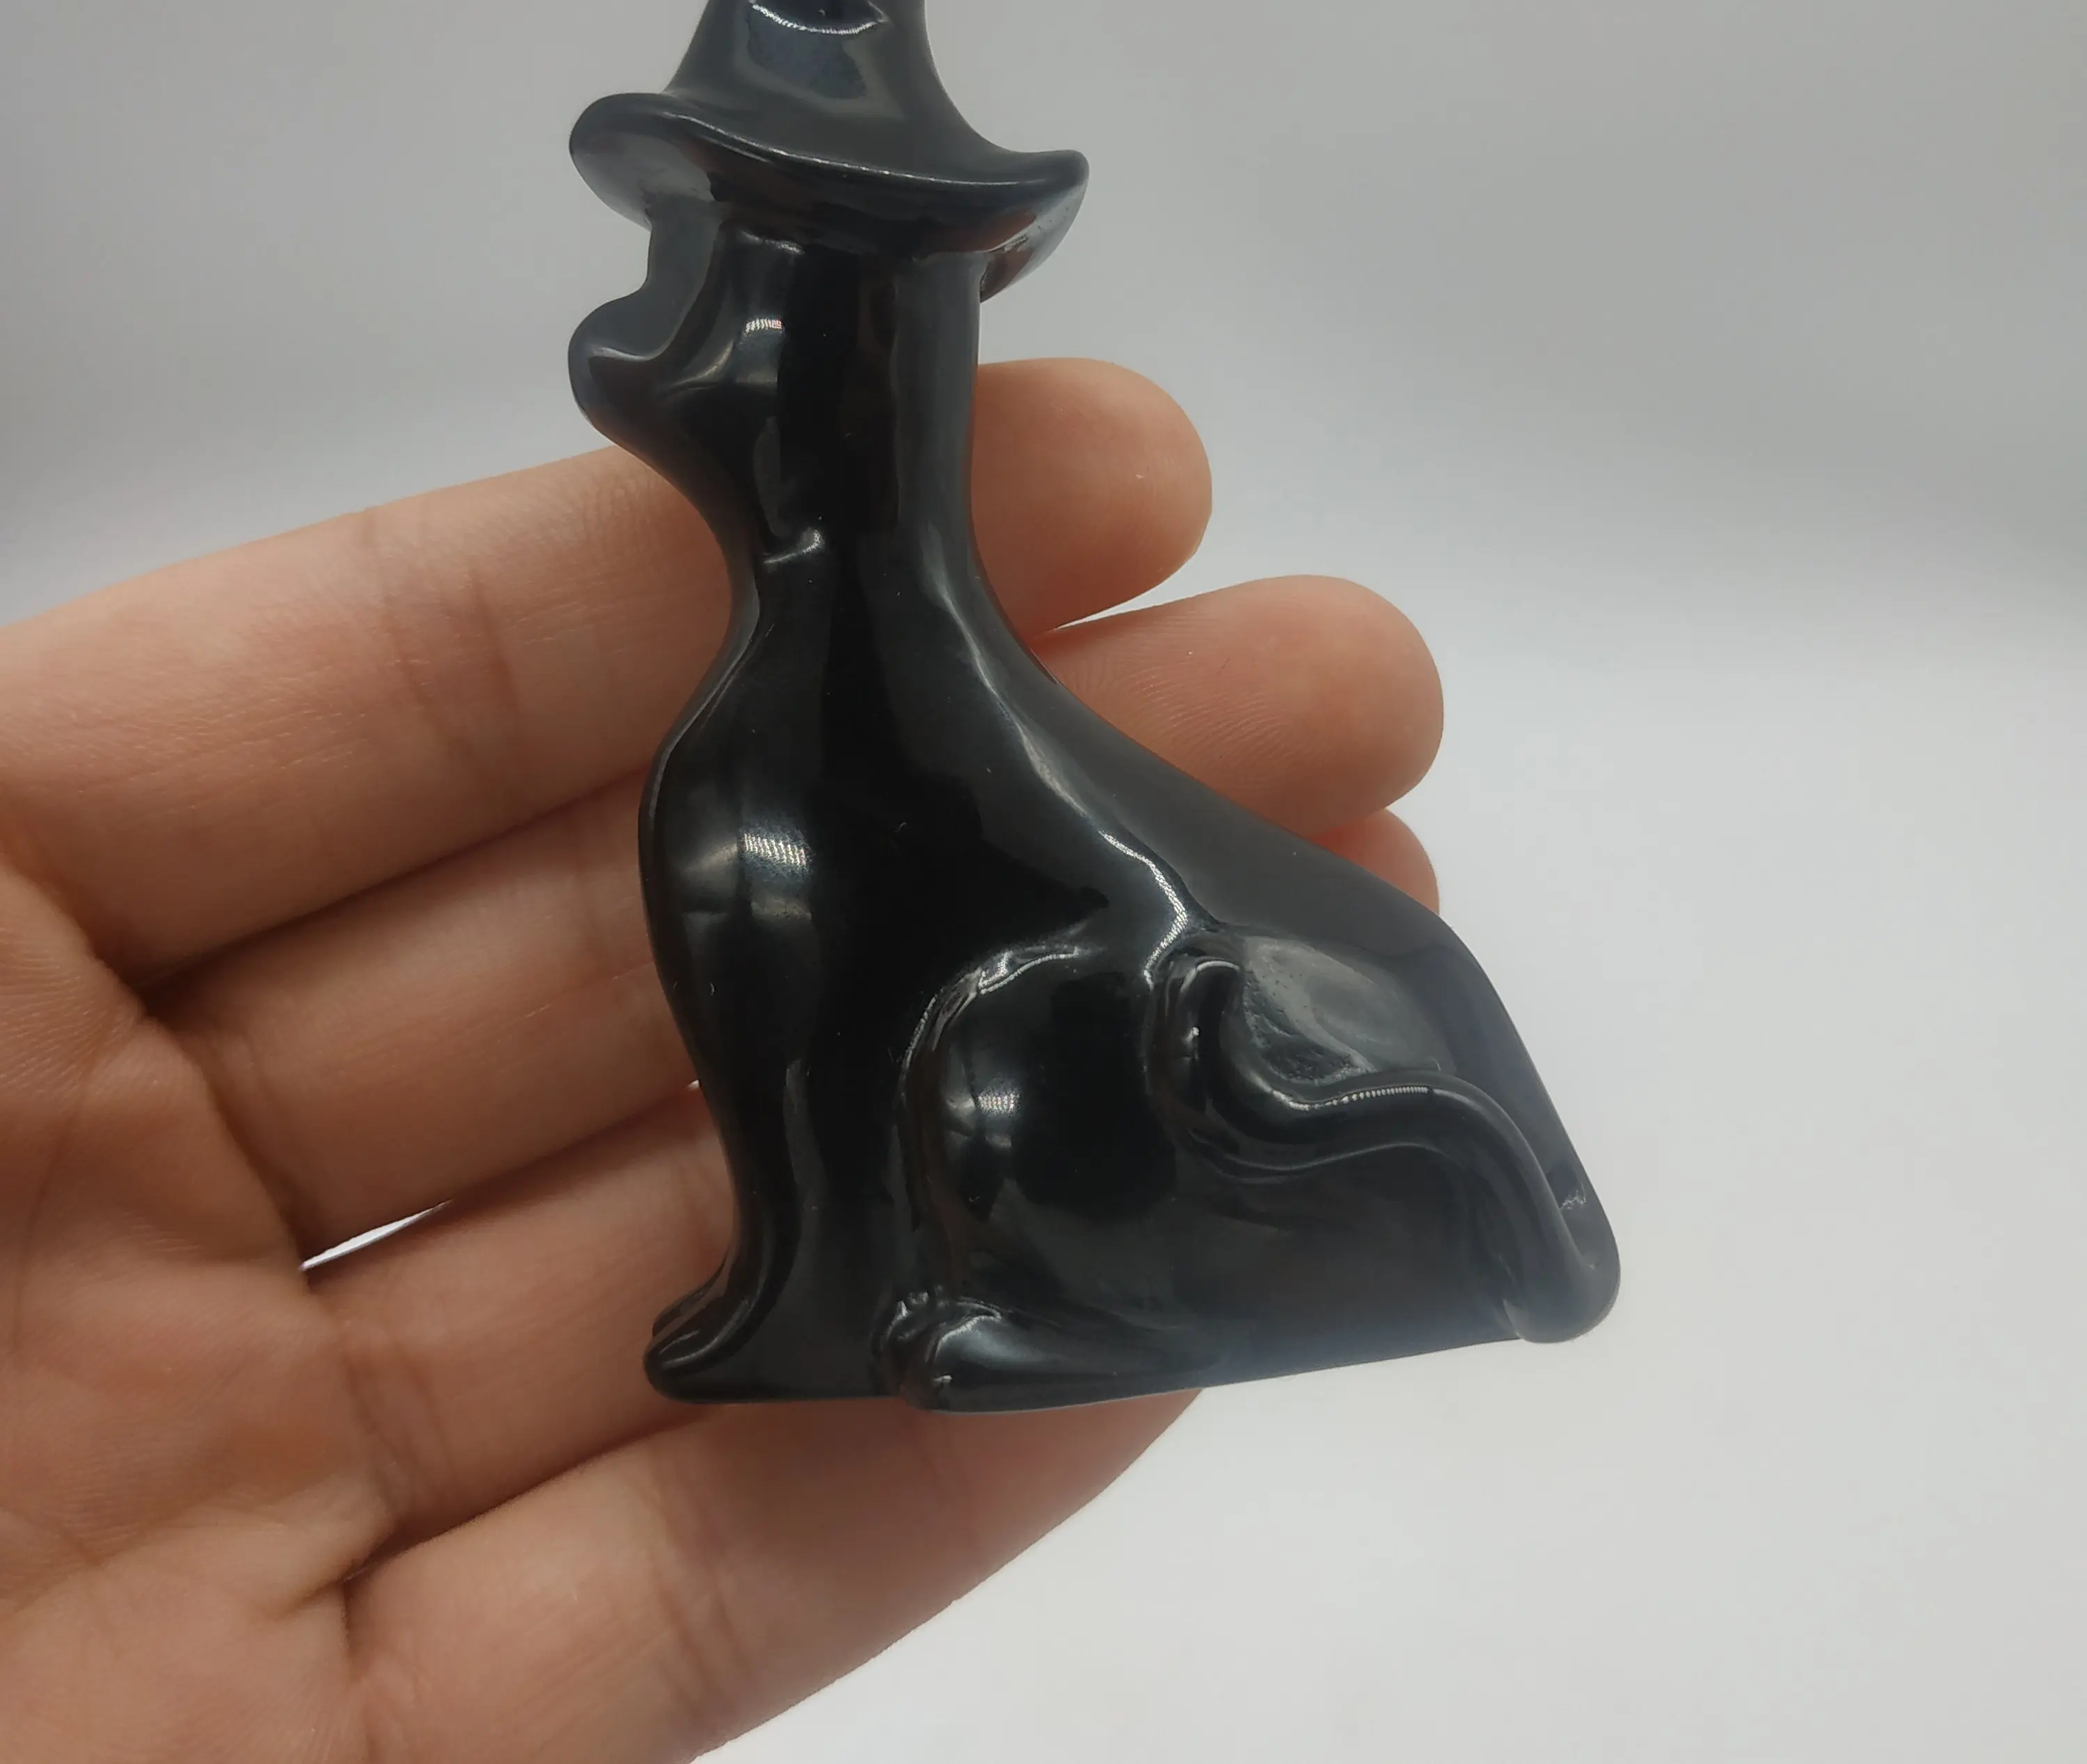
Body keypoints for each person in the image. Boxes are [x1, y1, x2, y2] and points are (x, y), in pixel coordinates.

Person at [0, 357, 1443, 1762]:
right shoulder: (798, 709)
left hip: (1178, 1125)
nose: (630, 341)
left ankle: (1022, 1303)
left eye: (712, 315)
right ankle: (804, 1289)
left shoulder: (867, 710)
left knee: (983, 1058)